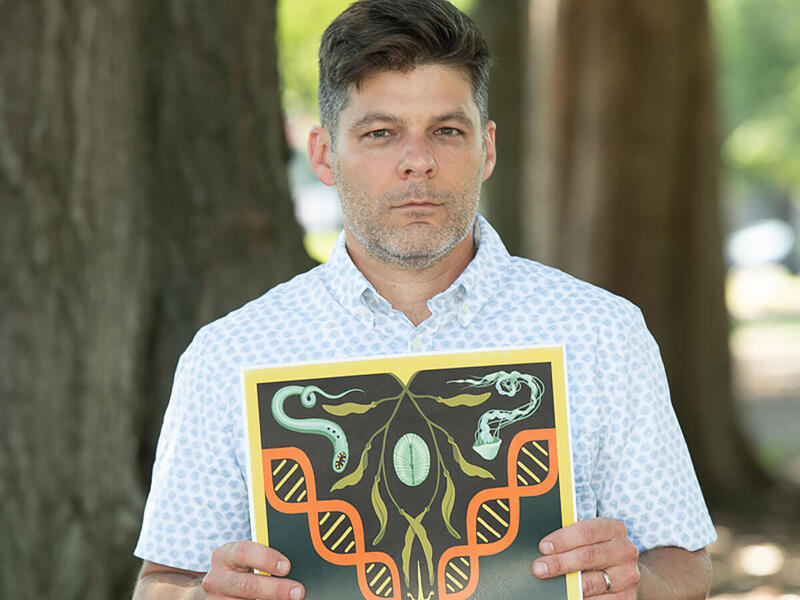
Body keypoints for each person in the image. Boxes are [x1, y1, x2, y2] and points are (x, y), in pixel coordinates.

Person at [132, 1, 716, 598]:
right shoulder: (230, 354)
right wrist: (202, 595)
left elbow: (685, 563)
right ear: (324, 154)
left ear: (486, 148)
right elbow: (161, 583)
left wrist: (635, 583)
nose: (418, 162)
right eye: (381, 133)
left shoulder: (602, 333)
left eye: (447, 130)